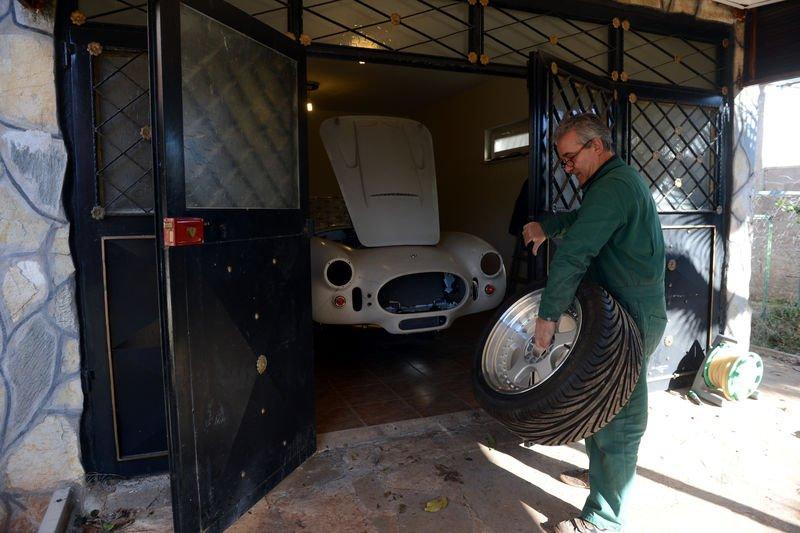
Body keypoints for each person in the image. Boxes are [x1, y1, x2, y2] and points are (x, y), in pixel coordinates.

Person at [522, 113, 667, 533]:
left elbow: (575, 254)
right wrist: (546, 227)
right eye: (563, 161)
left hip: (632, 316)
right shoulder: (609, 184)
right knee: (597, 399)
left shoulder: (614, 187)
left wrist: (548, 316)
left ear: (596, 147)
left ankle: (605, 518)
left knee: (620, 413)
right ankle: (601, 477)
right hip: (616, 309)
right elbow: (581, 221)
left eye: (571, 159)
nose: (568, 168)